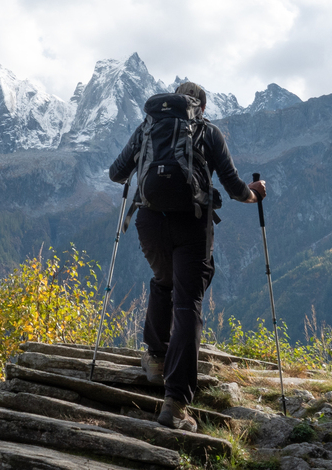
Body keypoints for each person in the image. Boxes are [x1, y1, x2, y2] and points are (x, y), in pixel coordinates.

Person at [108, 81, 266, 431]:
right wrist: (255, 194)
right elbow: (235, 187)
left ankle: (155, 359)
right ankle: (176, 404)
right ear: (201, 108)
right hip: (193, 225)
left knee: (163, 281)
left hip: (150, 221)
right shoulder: (208, 132)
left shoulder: (147, 128)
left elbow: (116, 173)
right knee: (187, 303)